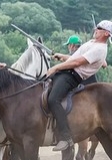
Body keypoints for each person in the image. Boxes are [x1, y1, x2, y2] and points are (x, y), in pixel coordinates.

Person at [46, 20, 112, 151]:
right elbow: (75, 57)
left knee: (53, 100)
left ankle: (65, 137)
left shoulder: (100, 49)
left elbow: (77, 63)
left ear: (106, 33)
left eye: (98, 28)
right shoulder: (94, 43)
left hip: (71, 76)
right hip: (67, 72)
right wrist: (63, 57)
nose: (95, 29)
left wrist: (56, 68)